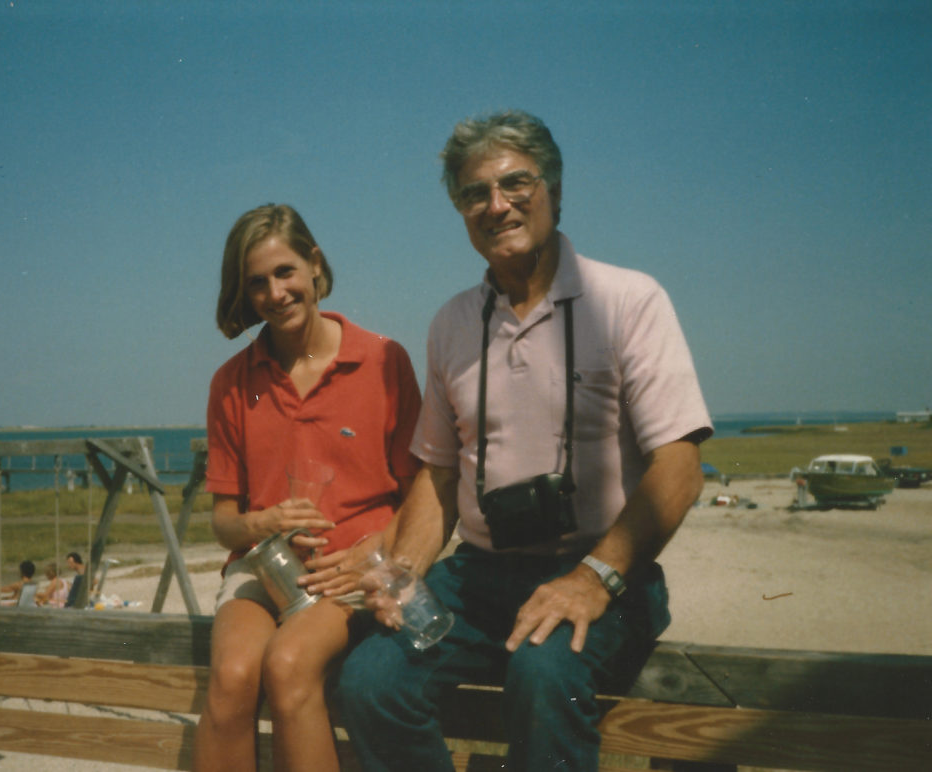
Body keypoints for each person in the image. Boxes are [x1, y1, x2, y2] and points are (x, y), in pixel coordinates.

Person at [333, 110, 713, 771]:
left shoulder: (628, 300)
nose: (497, 204)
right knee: (369, 683)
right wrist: (405, 574)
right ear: (461, 212)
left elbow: (678, 469)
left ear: (556, 192)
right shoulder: (452, 323)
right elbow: (439, 478)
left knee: (542, 676)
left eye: (517, 183)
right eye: (476, 193)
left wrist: (593, 579)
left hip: (603, 570)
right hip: (478, 579)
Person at [192, 203, 422, 772]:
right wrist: (262, 524)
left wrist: (373, 555)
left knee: (289, 664)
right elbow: (224, 522)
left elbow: (422, 496)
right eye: (257, 283)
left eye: (285, 272)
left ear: (314, 265)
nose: (275, 292)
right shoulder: (231, 382)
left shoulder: (382, 360)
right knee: (231, 678)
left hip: (352, 566)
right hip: (262, 566)